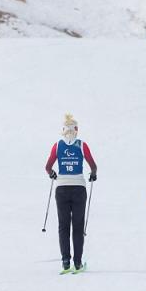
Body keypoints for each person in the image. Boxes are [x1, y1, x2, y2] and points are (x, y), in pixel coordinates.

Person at [45, 113, 97, 273]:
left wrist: (53, 174)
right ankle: (78, 263)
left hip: (61, 189)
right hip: (79, 188)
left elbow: (48, 167)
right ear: (76, 130)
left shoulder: (57, 145)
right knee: (78, 226)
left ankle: (66, 263)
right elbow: (93, 166)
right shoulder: (82, 145)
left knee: (63, 226)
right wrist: (93, 174)